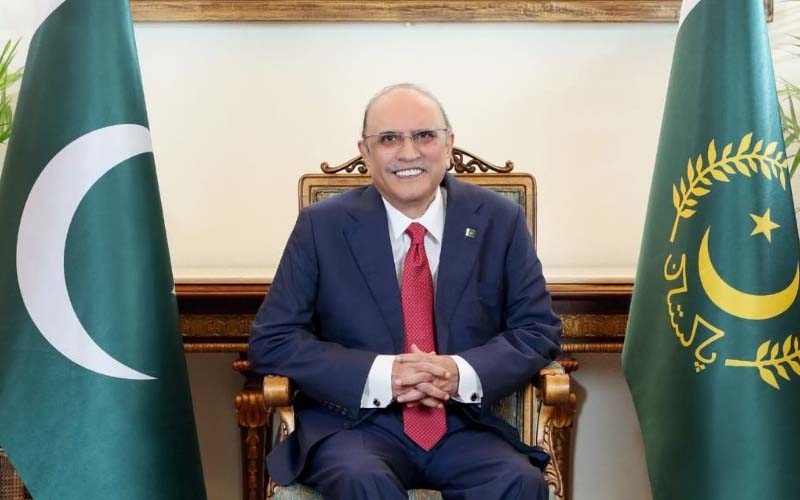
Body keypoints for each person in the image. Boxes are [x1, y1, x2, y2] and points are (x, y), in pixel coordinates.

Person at [248, 83, 562, 500]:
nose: (409, 153)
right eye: (389, 139)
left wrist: (459, 373)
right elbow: (272, 340)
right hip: (355, 427)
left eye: (425, 136)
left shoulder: (499, 220)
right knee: (361, 478)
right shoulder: (321, 226)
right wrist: (384, 376)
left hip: (463, 426)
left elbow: (537, 331)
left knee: (518, 482)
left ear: (449, 145)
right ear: (365, 152)